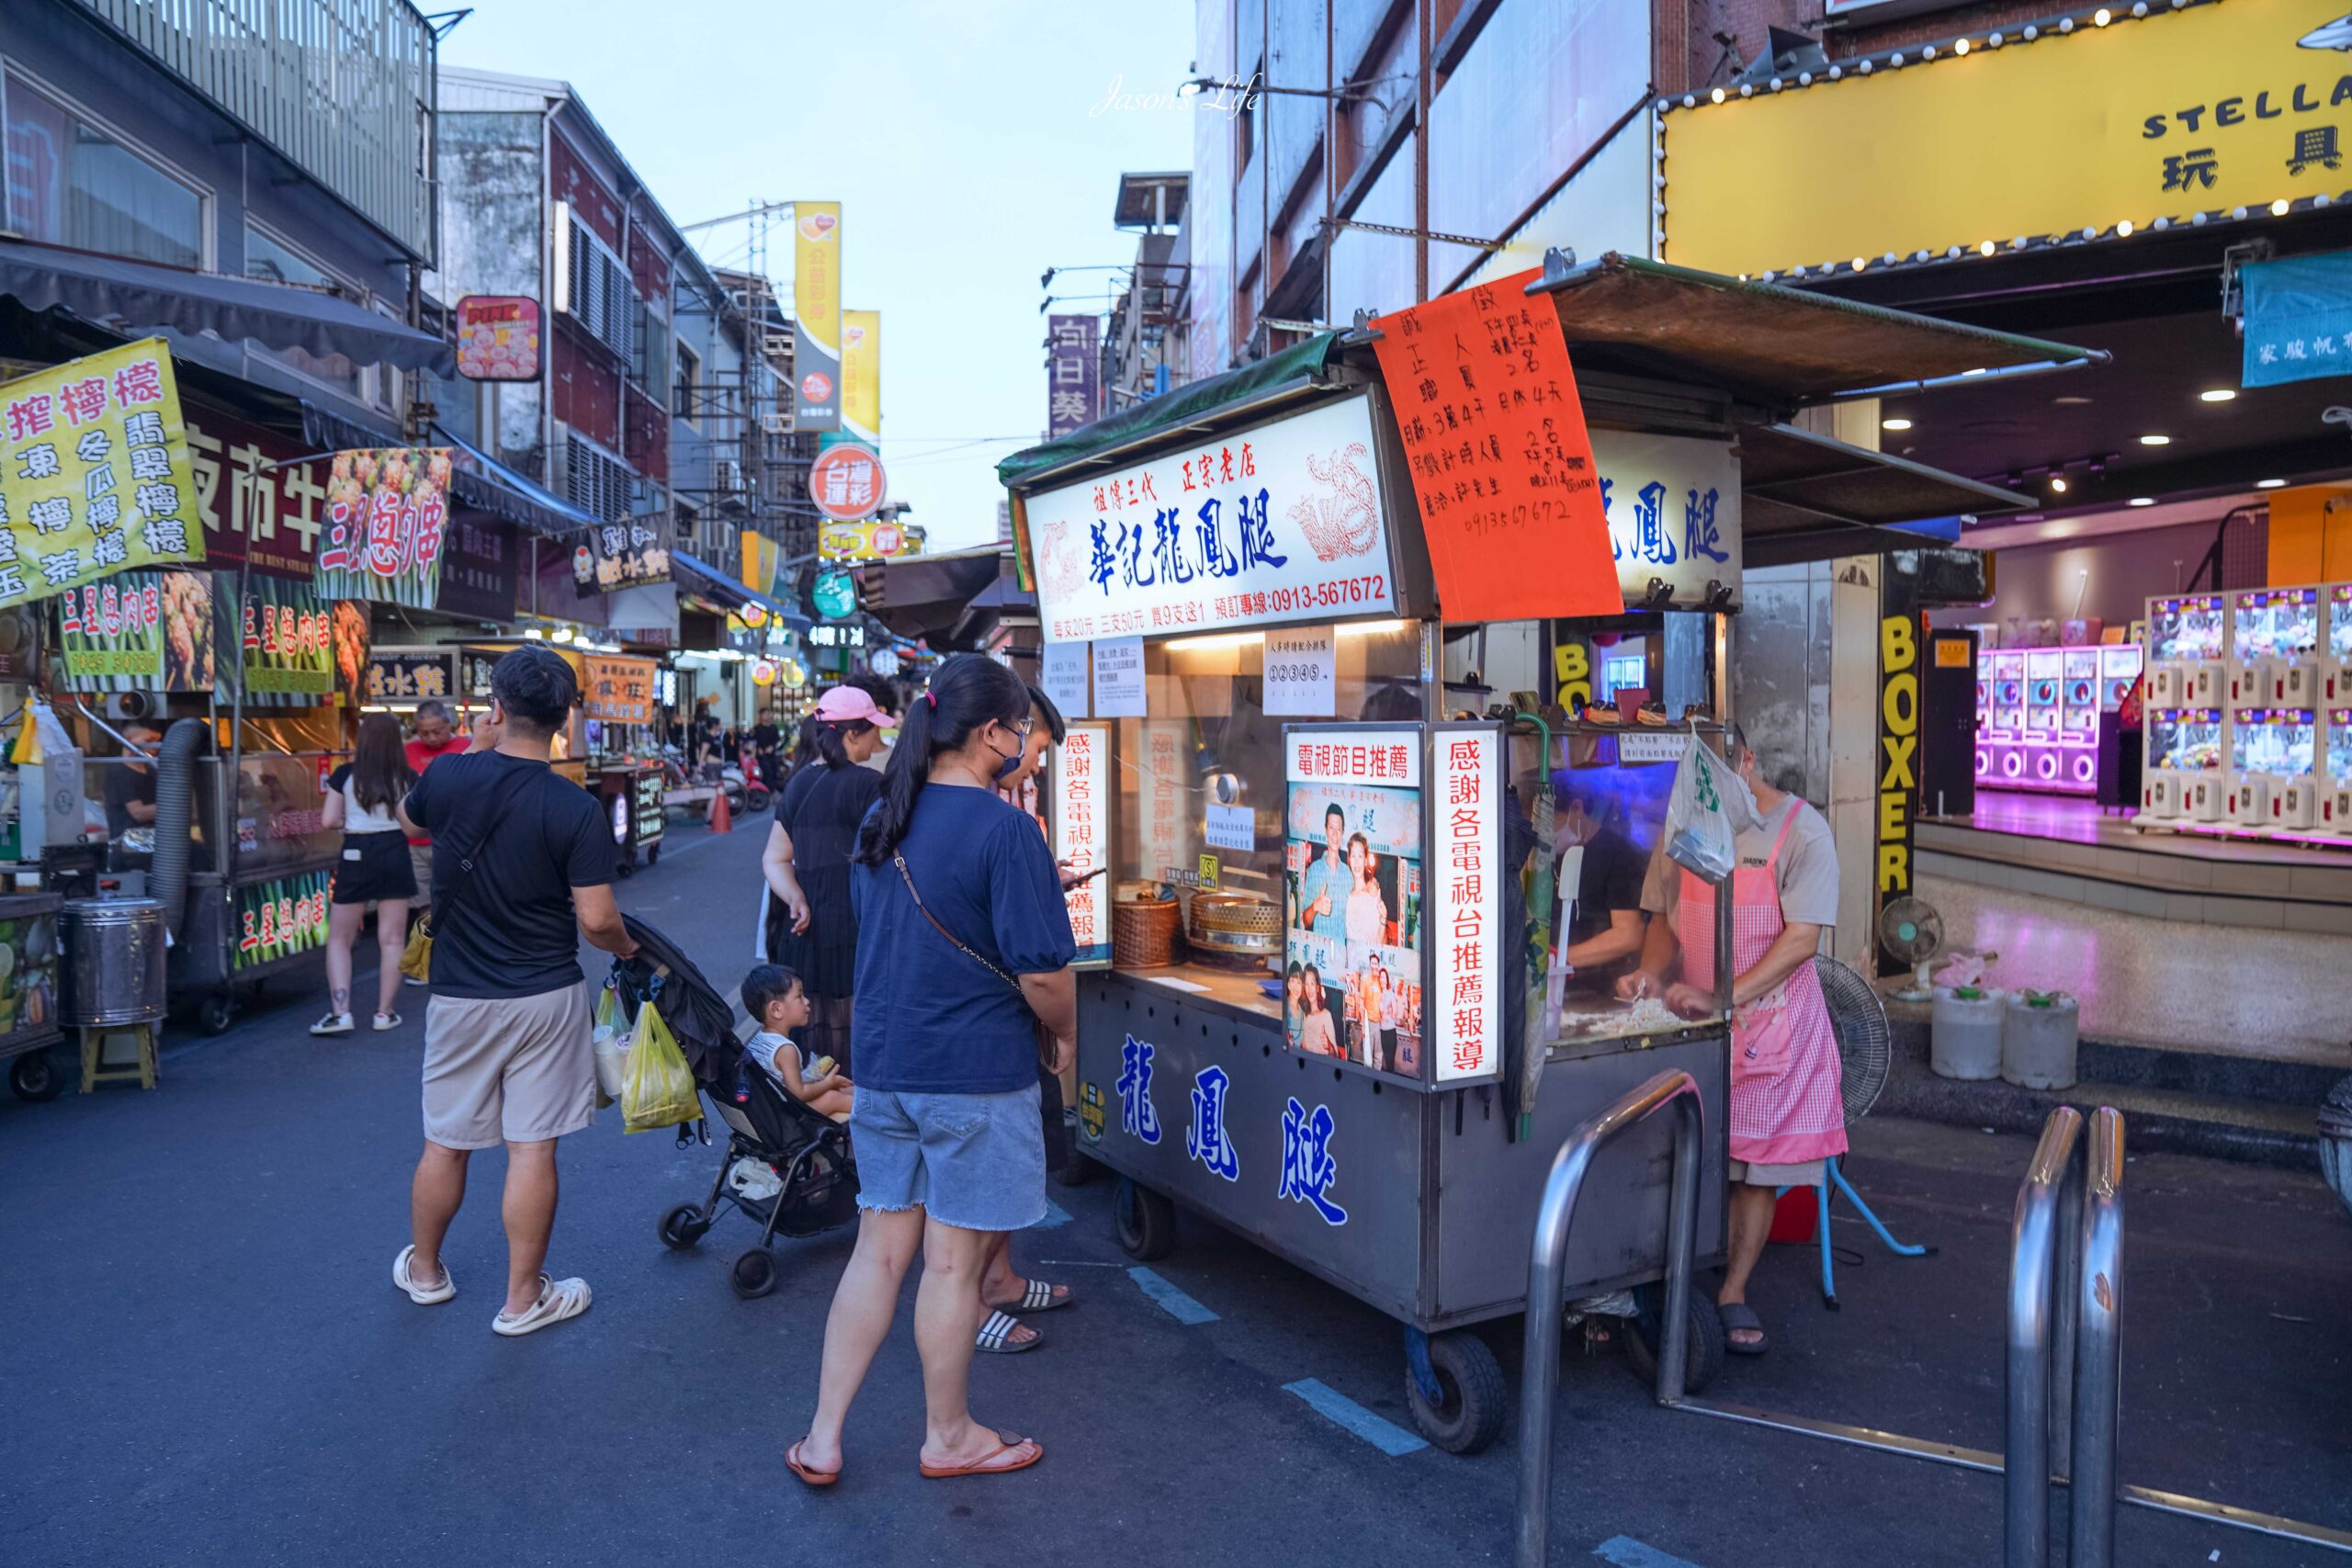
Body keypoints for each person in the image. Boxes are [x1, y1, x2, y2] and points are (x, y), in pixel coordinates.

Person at [789, 654, 1076, 1487]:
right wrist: (1063, 1035)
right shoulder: (1006, 829)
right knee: (950, 1265)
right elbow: (1045, 978)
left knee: (877, 1254)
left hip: (883, 1071)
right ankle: (948, 1435)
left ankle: (822, 1438)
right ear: (992, 732)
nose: (1025, 742)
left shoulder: (886, 814)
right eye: (1020, 728)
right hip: (972, 1075)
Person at [391, 646, 639, 1337]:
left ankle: (428, 1272)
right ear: (563, 721)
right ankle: (522, 1298)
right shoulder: (574, 806)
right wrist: (624, 946)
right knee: (532, 1148)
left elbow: (412, 824)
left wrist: (472, 749)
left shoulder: (446, 776)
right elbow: (595, 919)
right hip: (546, 996)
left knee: (446, 1139)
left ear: (495, 709)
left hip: (461, 994)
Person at [1616, 726, 1847, 1358]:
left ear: (1746, 762)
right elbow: (1664, 918)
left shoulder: (1803, 831)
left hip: (1773, 1029)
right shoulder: (1681, 826)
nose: (1699, 792)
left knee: (1755, 1169)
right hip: (1692, 1020)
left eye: (1712, 774)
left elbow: (1802, 940)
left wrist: (1726, 995)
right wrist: (1650, 972)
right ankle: (1666, 1274)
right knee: (1682, 1150)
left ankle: (1733, 1287)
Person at [760, 686, 895, 1072]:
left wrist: (795, 898)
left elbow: (774, 858)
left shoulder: (800, 782)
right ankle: (852, 1122)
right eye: (874, 731)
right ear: (852, 734)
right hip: (853, 926)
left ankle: (824, 1122)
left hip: (805, 931)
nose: (880, 740)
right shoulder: (869, 785)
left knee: (814, 1040)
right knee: (855, 1037)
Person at [311, 714, 418, 1036]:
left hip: (356, 852)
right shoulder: (407, 777)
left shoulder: (345, 774)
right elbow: (416, 824)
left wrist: (352, 825)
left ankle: (341, 1013)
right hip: (395, 850)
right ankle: (384, 1014)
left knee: (341, 939)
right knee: (392, 939)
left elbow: (328, 821)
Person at [1553, 777, 1649, 993]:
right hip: (1553, 986)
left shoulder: (1620, 853)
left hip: (1602, 986)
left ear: (1576, 808)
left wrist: (1556, 959)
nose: (1543, 834)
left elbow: (1629, 934)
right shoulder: (1546, 854)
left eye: (1548, 823)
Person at [741, 964, 854, 1122]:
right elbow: (798, 1094)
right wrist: (828, 1083)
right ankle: (881, 1115)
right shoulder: (786, 1050)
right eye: (799, 996)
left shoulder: (760, 1038)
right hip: (787, 1118)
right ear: (776, 1010)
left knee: (847, 1090)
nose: (807, 1001)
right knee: (832, 1097)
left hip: (771, 1114)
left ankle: (871, 1106)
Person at [401, 700, 467, 903]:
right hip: (415, 842)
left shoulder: (469, 746)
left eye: (437, 731)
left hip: (455, 840)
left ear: (449, 724)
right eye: (424, 733)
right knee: (423, 903)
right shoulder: (406, 751)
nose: (431, 738)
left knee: (456, 899)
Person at [1298, 803, 1350, 940]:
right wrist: (1315, 906)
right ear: (1325, 830)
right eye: (1331, 828)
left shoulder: (1348, 874)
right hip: (1320, 952)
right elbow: (1305, 920)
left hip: (1342, 953)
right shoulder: (1314, 870)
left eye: (1338, 829)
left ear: (1343, 832)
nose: (1334, 834)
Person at [102, 722, 161, 839]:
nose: (154, 747)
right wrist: (174, 807)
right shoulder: (119, 772)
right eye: (149, 741)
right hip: (129, 844)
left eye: (157, 741)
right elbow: (138, 813)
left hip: (154, 839)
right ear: (128, 739)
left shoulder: (152, 769)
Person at [1343, 832, 1386, 944]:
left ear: (1366, 860)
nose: (1356, 861)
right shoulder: (1347, 896)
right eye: (1353, 856)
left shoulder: (1373, 894)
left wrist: (1383, 919)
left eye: (1360, 856)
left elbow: (1380, 940)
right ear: (1348, 860)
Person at [1296, 965, 1340, 1057]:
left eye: (1312, 983)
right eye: (1306, 984)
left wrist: (1330, 1046)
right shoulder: (1304, 1016)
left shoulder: (1326, 1015)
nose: (1309, 989)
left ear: (1317, 988)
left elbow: (1335, 1055)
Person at [750, 708, 785, 790]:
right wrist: (758, 749)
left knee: (775, 771)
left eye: (768, 714)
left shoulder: (774, 727)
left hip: (772, 755)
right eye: (765, 714)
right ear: (761, 716)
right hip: (761, 756)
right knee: (767, 771)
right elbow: (753, 742)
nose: (767, 716)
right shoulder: (757, 728)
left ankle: (774, 790)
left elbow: (777, 740)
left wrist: (772, 746)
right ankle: (768, 790)